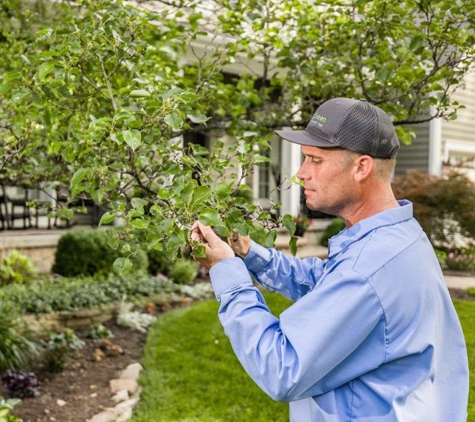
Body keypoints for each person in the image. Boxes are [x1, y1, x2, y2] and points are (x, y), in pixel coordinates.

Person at [190, 98, 469, 422]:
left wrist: (227, 273)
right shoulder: (394, 235)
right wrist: (250, 254)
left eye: (315, 160)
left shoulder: (368, 266)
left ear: (361, 167)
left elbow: (283, 369)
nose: (300, 173)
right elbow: (327, 281)